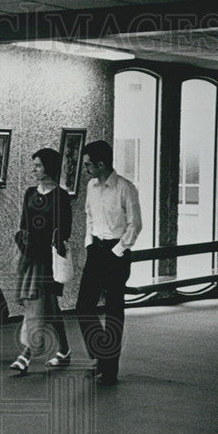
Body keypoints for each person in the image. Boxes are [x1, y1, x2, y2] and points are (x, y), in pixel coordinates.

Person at [76, 140, 142, 384]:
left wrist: (117, 251)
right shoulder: (91, 186)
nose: (85, 170)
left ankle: (109, 369)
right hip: (96, 249)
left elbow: (136, 225)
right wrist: (88, 243)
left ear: (101, 164)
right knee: (84, 306)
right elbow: (89, 216)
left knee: (114, 311)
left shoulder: (125, 188)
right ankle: (101, 356)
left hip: (117, 253)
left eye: (88, 165)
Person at [11, 147, 72, 375]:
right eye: (34, 165)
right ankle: (64, 350)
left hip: (49, 260)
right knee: (50, 308)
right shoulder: (29, 193)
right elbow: (23, 225)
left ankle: (25, 355)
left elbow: (64, 231)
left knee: (36, 305)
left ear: (49, 167)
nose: (34, 169)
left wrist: (48, 242)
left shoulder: (61, 196)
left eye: (38, 165)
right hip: (30, 256)